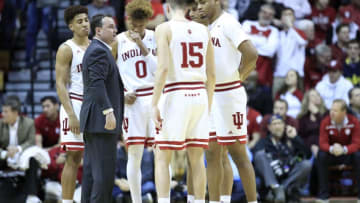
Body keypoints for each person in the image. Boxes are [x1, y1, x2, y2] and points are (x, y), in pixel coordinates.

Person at [151, 0, 216, 202]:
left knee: (162, 157)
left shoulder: (163, 28)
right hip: (199, 95)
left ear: (168, 7)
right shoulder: (203, 30)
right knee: (196, 159)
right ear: (189, 7)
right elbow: (211, 74)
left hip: (175, 94)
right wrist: (209, 103)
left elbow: (162, 69)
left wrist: (154, 103)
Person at [196, 0, 258, 202]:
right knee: (213, 154)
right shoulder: (205, 27)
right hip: (210, 93)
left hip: (229, 94)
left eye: (203, 2)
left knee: (238, 153)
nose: (199, 7)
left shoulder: (228, 22)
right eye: (196, 3)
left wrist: (239, 77)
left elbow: (252, 54)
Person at [112, 0, 157, 202]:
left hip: (156, 97)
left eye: (141, 24)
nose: (137, 28)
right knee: (135, 154)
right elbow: (108, 74)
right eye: (134, 24)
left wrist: (141, 44)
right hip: (133, 101)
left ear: (147, 20)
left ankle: (164, 197)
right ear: (128, 20)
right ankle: (137, 200)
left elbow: (161, 70)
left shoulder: (156, 37)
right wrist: (120, 95)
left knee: (162, 153)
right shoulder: (118, 41)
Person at [80, 14, 124, 203]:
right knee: (104, 177)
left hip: (95, 121)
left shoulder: (98, 49)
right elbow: (96, 84)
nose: (115, 30)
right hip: (101, 121)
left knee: (91, 174)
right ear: (98, 30)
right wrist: (109, 111)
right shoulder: (99, 51)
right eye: (111, 27)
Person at [55, 5, 90, 203]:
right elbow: (60, 84)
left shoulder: (96, 45)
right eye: (79, 21)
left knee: (92, 159)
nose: (85, 24)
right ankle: (67, 201)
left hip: (93, 105)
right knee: (73, 157)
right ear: (71, 26)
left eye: (86, 20)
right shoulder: (66, 49)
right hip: (75, 103)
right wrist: (71, 114)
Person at [253, 114, 312, 203]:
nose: (277, 126)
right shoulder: (264, 142)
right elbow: (256, 158)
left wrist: (295, 138)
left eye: (280, 123)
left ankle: (281, 191)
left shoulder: (290, 140)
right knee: (260, 155)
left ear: (284, 126)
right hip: (271, 177)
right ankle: (275, 188)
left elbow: (308, 154)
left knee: (306, 164)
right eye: (274, 124)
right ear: (269, 127)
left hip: (287, 176)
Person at [316, 99, 360, 203]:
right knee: (321, 155)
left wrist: (344, 149)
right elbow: (322, 143)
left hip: (347, 154)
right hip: (332, 154)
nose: (332, 112)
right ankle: (324, 195)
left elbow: (357, 143)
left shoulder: (354, 121)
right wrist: (332, 148)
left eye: (335, 110)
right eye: (331, 110)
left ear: (344, 112)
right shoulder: (325, 121)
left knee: (359, 155)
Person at [0, 96, 39, 202]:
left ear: (15, 112)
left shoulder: (29, 122)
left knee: (32, 159)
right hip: (5, 156)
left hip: (22, 155)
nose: (3, 114)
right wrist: (5, 154)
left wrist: (17, 149)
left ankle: (32, 195)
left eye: (6, 111)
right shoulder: (1, 124)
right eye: (3, 111)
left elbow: (31, 142)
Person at [242, 3, 279, 87]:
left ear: (273, 17)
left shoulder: (274, 31)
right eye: (264, 12)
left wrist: (251, 41)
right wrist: (263, 41)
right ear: (259, 13)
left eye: (270, 14)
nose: (266, 15)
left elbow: (270, 51)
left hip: (262, 72)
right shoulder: (247, 23)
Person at [273, 7, 307, 98]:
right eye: (285, 15)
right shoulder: (277, 34)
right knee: (276, 100)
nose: (287, 17)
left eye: (290, 15)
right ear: (281, 18)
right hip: (279, 73)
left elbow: (303, 42)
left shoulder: (300, 33)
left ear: (294, 18)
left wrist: (291, 26)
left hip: (295, 74)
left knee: (298, 101)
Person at [297, 89, 327, 156]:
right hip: (308, 149)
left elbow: (327, 129)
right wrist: (311, 146)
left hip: (324, 147)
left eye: (318, 95)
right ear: (308, 101)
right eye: (313, 96)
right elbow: (301, 136)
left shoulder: (327, 113)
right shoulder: (303, 117)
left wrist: (317, 114)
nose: (316, 97)